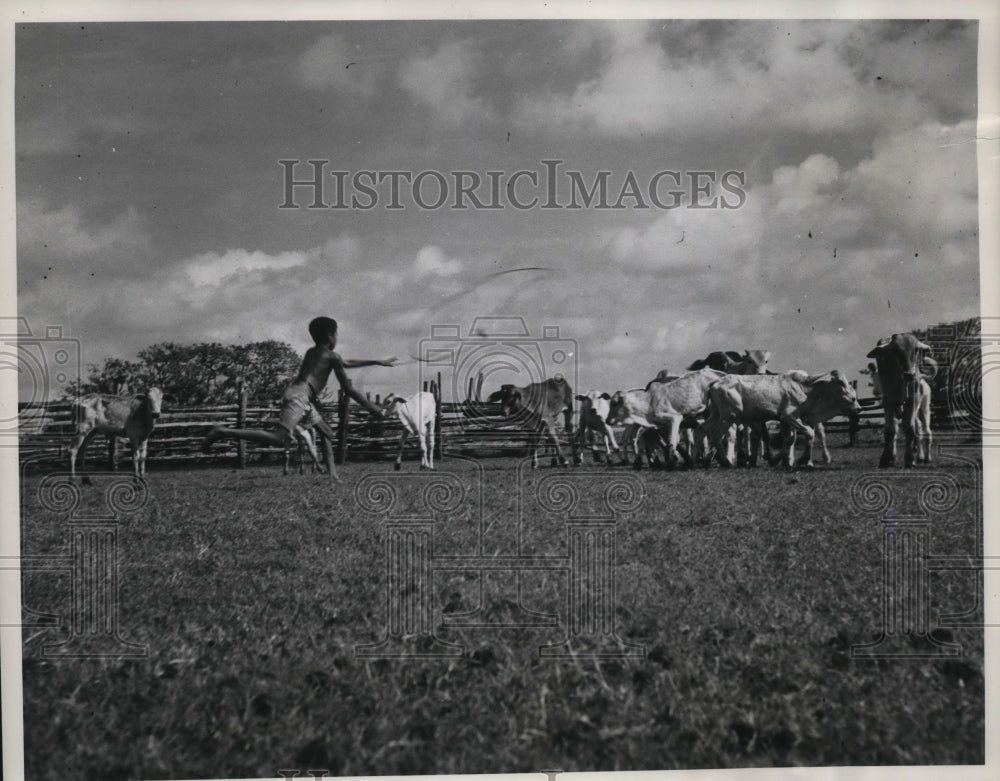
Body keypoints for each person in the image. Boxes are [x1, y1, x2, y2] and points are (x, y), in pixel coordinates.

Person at [201, 317, 395, 481]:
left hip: (302, 396)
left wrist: (377, 361)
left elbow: (345, 362)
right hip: (299, 396)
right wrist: (374, 409)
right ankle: (222, 431)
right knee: (280, 439)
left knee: (326, 433)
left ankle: (333, 477)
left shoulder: (315, 352)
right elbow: (349, 389)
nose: (337, 337)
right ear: (330, 336)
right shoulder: (331, 356)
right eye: (336, 334)